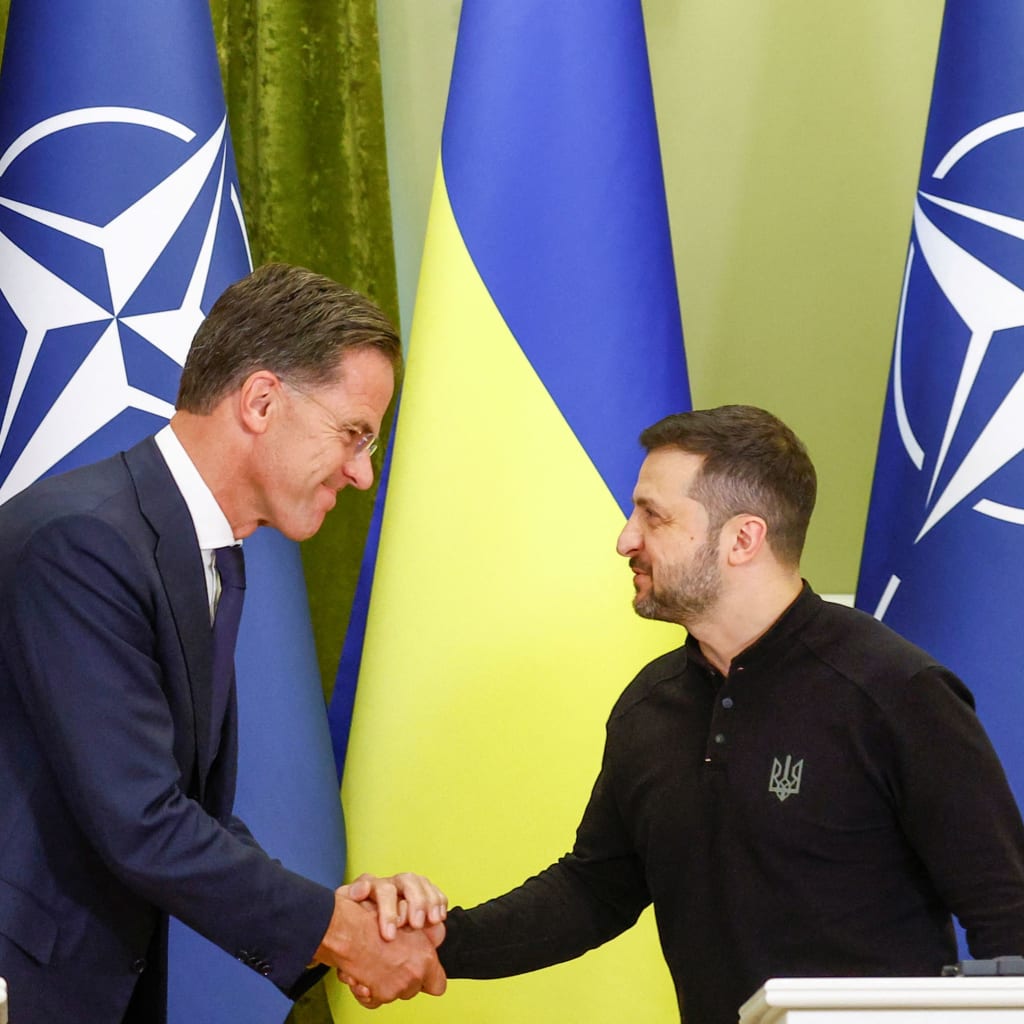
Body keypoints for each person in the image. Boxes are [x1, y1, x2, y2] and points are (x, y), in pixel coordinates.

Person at [351, 405, 1024, 1022]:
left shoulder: (895, 691)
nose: (624, 539)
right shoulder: (650, 705)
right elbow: (595, 890)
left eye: (653, 516)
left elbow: (1008, 913)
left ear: (742, 539)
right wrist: (443, 941)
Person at [0, 264, 446, 1024]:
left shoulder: (183, 545)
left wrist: (329, 916)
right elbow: (142, 822)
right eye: (353, 433)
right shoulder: (85, 542)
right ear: (262, 401)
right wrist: (339, 934)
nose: (362, 474)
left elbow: (184, 809)